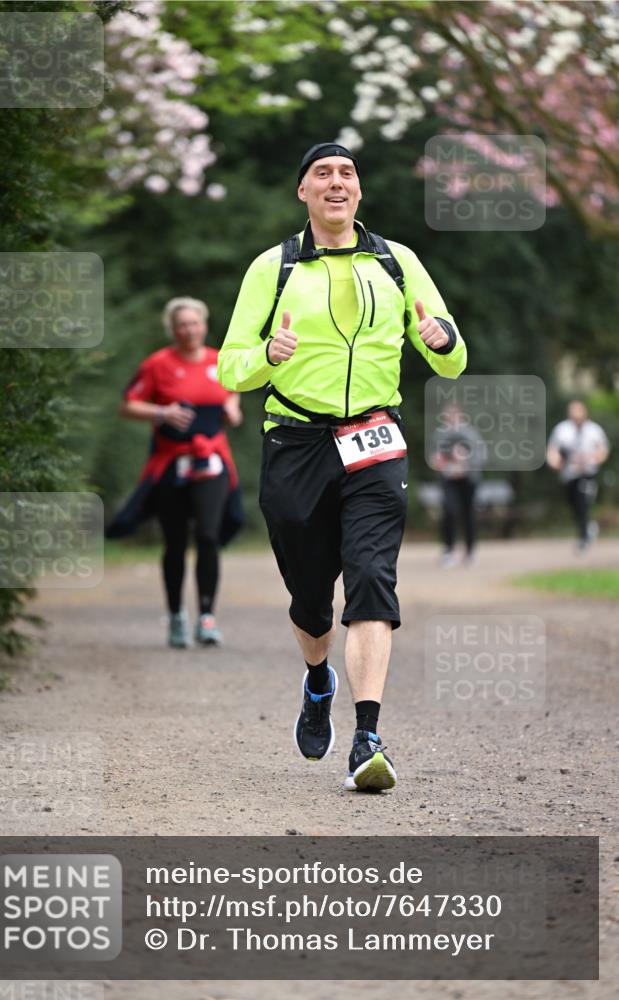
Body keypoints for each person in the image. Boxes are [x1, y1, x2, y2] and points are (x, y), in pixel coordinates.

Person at [218, 142, 467, 791]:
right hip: (295, 441)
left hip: (375, 439)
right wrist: (269, 354)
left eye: (346, 174)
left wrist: (444, 340)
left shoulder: (396, 261)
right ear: (302, 192)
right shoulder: (273, 268)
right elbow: (230, 368)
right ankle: (318, 679)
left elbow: (449, 356)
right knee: (309, 600)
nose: (336, 183)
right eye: (322, 174)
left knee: (370, 580)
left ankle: (367, 738)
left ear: (358, 192)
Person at [108, 297, 243, 647]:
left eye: (194, 323)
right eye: (182, 324)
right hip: (171, 462)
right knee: (175, 541)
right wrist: (161, 413)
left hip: (211, 458)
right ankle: (176, 617)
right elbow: (127, 405)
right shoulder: (157, 364)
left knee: (209, 536)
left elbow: (232, 396)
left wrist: (231, 410)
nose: (189, 329)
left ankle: (207, 615)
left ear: (204, 324)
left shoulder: (219, 360)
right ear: (172, 328)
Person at [546, 400, 610, 551]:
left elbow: (603, 450)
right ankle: (588, 526)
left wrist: (594, 459)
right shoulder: (562, 430)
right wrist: (554, 462)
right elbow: (552, 450)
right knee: (573, 505)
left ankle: (583, 539)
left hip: (587, 474)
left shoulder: (594, 430)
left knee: (583, 504)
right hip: (569, 475)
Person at [428, 403, 485, 567]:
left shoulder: (470, 433)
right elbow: (434, 456)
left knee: (469, 515)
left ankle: (470, 551)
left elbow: (480, 454)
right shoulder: (439, 434)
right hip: (448, 479)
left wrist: (465, 466)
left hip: (468, 479)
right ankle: (448, 550)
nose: (451, 419)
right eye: (448, 416)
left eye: (454, 415)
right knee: (449, 512)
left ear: (460, 416)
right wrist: (439, 463)